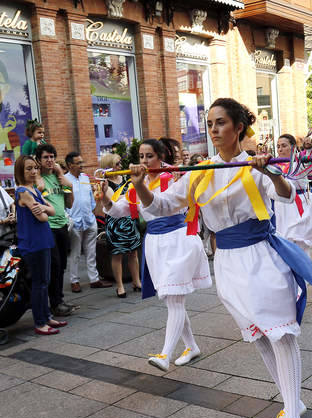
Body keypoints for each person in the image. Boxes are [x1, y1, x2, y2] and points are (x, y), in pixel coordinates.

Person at [130, 98, 312, 418]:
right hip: (228, 263)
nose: (214, 129)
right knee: (260, 336)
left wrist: (268, 172)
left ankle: (292, 416)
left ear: (238, 127)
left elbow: (286, 193)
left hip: (262, 257)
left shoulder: (255, 165)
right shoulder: (200, 171)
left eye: (220, 123)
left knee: (281, 334)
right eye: (210, 123)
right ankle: (292, 403)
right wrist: (142, 184)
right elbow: (161, 205)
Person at [106, 139, 211, 371]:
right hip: (155, 244)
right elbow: (117, 210)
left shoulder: (173, 177)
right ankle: (191, 346)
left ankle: (165, 355)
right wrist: (102, 196)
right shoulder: (135, 184)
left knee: (174, 298)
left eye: (149, 156)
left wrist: (141, 185)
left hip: (179, 240)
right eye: (141, 157)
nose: (144, 161)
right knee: (171, 298)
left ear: (161, 156)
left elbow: (161, 205)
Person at [13, 155, 68, 335]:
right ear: (20, 171)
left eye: (35, 168)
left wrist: (44, 208)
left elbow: (51, 210)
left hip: (43, 240)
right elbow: (43, 216)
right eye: (28, 168)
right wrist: (44, 210)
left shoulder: (33, 189)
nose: (33, 171)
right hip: (32, 243)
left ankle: (46, 316)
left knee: (45, 281)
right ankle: (40, 322)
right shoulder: (23, 191)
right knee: (39, 283)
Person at [36, 143, 76, 317]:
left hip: (62, 225)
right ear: (39, 160)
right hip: (47, 227)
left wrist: (64, 180)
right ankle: (55, 303)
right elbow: (37, 193)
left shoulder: (58, 177)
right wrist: (38, 177)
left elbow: (69, 203)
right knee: (54, 266)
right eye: (46, 157)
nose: (50, 160)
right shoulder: (37, 179)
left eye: (52, 157)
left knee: (61, 266)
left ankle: (59, 300)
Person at [65, 152, 111, 293]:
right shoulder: (65, 180)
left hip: (89, 219)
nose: (81, 165)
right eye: (78, 163)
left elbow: (91, 197)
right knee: (75, 253)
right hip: (75, 221)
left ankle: (94, 279)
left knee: (91, 252)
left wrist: (92, 210)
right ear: (69, 165)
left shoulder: (85, 178)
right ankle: (74, 281)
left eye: (81, 162)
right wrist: (70, 217)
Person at [99, 153, 142, 298]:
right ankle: (120, 285)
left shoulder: (126, 179)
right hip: (115, 223)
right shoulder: (105, 184)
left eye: (120, 163)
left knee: (133, 252)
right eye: (117, 164)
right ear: (109, 166)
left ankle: (136, 281)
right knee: (117, 254)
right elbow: (112, 203)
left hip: (129, 220)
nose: (120, 166)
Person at [274, 134, 312, 256]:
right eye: (278, 146)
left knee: (300, 243)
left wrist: (308, 146)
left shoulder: (299, 162)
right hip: (282, 207)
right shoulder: (274, 166)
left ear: (293, 147)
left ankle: (305, 273)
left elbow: (311, 161)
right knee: (286, 244)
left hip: (301, 205)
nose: (280, 149)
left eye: (284, 146)